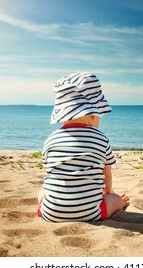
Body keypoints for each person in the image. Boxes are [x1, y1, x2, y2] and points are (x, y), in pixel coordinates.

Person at [37, 72, 129, 222]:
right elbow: (107, 176)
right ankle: (121, 203)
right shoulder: (101, 139)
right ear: (92, 114)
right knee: (115, 199)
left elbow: (49, 175)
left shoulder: (50, 140)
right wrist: (107, 195)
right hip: (91, 213)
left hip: (51, 213)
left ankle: (48, 207)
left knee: (41, 192)